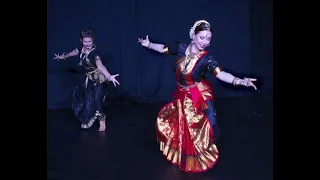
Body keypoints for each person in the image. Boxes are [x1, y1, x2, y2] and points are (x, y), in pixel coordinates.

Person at [138, 20, 257, 172]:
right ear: (193, 35)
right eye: (202, 37)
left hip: (199, 93)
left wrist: (240, 80)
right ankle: (188, 150)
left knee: (211, 123)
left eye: (208, 39)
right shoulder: (181, 47)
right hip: (183, 93)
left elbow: (220, 74)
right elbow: (163, 49)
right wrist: (148, 45)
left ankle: (206, 147)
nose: (205, 42)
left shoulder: (206, 59)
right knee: (183, 125)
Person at [54, 29, 120, 131]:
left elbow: (100, 65)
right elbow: (73, 53)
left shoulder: (94, 52)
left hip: (100, 79)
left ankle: (102, 121)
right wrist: (63, 57)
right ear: (81, 40)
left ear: (93, 39)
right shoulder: (81, 48)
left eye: (90, 41)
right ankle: (91, 116)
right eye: (85, 41)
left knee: (97, 100)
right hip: (89, 79)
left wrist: (109, 76)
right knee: (88, 99)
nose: (88, 44)